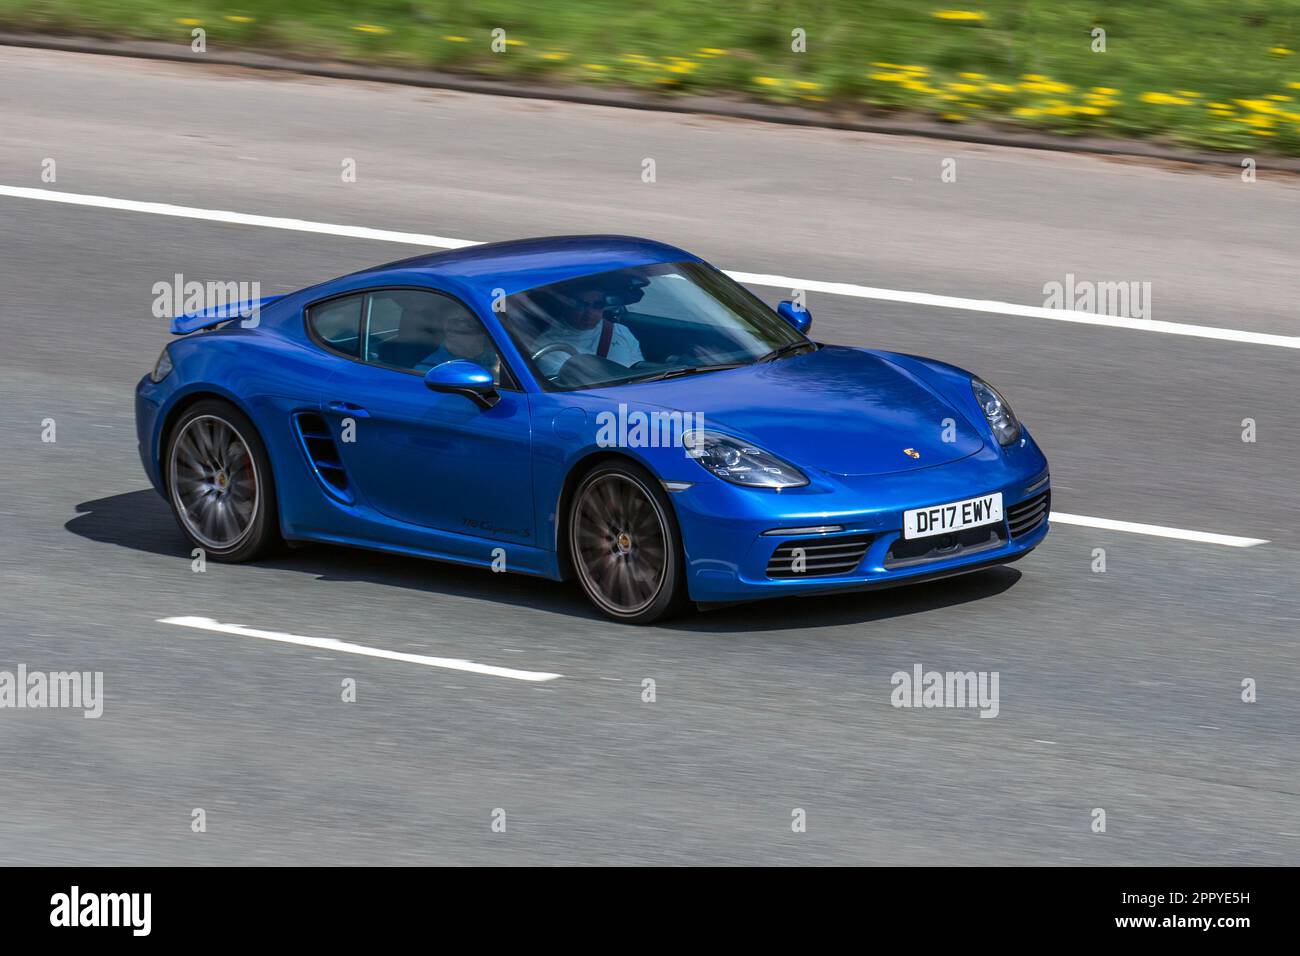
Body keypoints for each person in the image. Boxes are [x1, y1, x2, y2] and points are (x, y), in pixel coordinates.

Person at [532, 287, 643, 376]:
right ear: (566, 305)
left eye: (597, 305)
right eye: (581, 305)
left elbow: (638, 371)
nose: (589, 313)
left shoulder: (621, 332)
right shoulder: (548, 346)